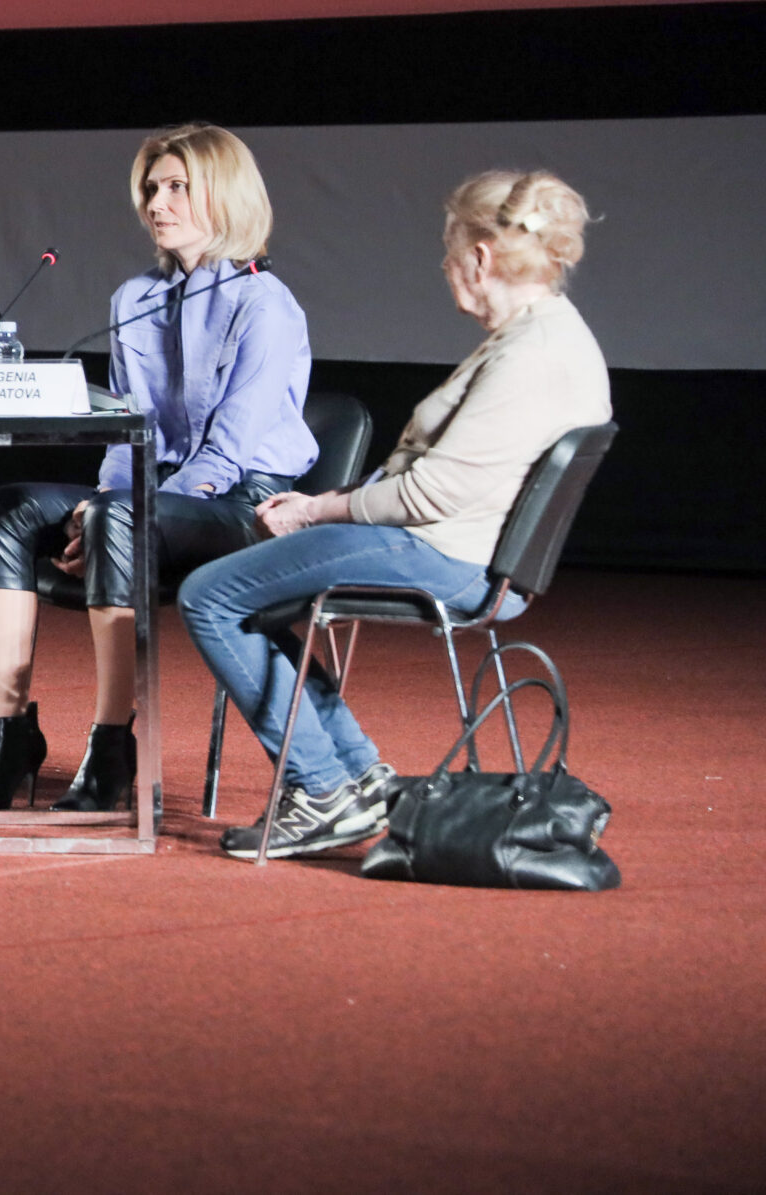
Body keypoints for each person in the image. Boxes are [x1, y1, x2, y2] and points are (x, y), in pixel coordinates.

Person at [178, 170, 610, 860]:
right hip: (456, 548)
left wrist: (318, 510)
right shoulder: (540, 336)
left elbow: (429, 495)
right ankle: (356, 778)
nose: (446, 267)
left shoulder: (533, 355)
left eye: (448, 252)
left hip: (446, 554)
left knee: (209, 594)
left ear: (479, 258)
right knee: (248, 596)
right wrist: (326, 509)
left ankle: (321, 788)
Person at [0, 124, 316, 812]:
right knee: (4, 505)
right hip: (150, 496)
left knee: (118, 517)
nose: (157, 203)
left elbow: (226, 454)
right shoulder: (133, 299)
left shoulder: (265, 304)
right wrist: (98, 503)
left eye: (178, 187)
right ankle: (12, 734)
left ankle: (110, 746)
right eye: (153, 188)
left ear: (225, 195)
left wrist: (112, 514)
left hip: (243, 503)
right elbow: (129, 434)